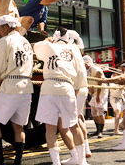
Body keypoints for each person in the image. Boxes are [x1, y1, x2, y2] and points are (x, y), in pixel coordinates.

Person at [34, 27, 88, 165]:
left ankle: (56, 163)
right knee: (74, 125)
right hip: (67, 87)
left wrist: (47, 39)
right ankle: (81, 161)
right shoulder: (74, 49)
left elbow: (37, 48)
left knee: (50, 128)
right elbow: (81, 71)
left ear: (54, 37)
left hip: (49, 87)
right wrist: (76, 90)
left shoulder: (48, 46)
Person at [0, 15, 34, 165]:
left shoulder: (5, 41)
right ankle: (18, 162)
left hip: (11, 85)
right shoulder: (26, 41)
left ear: (6, 27)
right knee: (18, 126)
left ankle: (0, 161)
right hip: (27, 86)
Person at [84, 56, 108, 138]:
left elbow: (100, 82)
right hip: (94, 92)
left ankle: (101, 131)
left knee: (100, 111)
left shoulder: (96, 69)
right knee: (93, 112)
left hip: (101, 92)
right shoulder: (86, 70)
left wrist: (98, 96)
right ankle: (97, 130)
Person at [109, 63, 125, 135]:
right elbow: (113, 89)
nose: (117, 76)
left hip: (121, 99)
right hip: (114, 99)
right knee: (117, 112)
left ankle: (122, 123)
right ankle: (116, 130)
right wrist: (121, 87)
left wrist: (124, 89)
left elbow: (124, 90)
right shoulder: (112, 81)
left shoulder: (122, 82)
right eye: (116, 74)